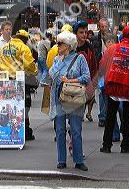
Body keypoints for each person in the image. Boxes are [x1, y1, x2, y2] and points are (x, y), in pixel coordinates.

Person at [99, 26, 129, 154]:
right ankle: (126, 145)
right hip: (128, 87)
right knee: (128, 118)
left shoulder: (112, 49)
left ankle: (106, 145)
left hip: (113, 85)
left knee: (110, 117)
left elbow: (102, 66)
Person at [49, 31, 90, 171]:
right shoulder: (57, 59)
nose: (57, 46)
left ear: (68, 45)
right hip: (60, 97)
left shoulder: (80, 59)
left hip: (74, 97)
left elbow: (86, 77)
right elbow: (52, 75)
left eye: (60, 43)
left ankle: (79, 160)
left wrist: (70, 80)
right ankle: (61, 160)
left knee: (76, 129)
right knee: (60, 130)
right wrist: (58, 63)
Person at [0, 30, 38, 141]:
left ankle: (7, 131)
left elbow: (0, 63)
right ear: (25, 39)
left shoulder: (5, 47)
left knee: (8, 107)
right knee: (24, 106)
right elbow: (29, 64)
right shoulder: (23, 48)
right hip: (19, 82)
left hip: (5, 82)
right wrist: (35, 71)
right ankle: (25, 132)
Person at [73, 20, 97, 122]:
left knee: (89, 99)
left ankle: (86, 113)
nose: (84, 35)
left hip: (86, 80)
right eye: (81, 32)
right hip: (72, 82)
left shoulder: (89, 47)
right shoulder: (71, 47)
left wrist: (93, 80)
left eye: (85, 32)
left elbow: (93, 64)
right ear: (76, 33)